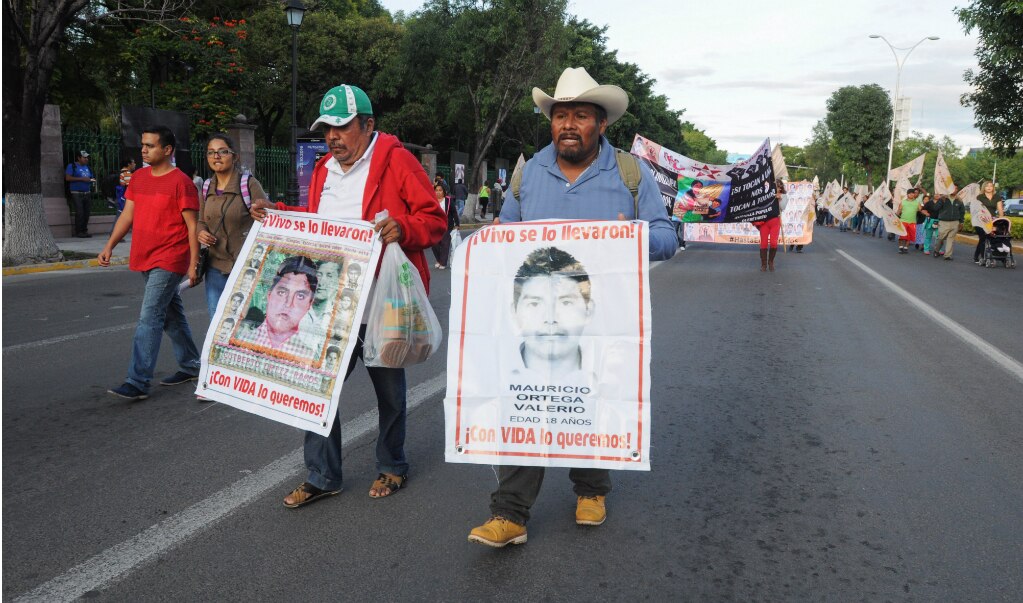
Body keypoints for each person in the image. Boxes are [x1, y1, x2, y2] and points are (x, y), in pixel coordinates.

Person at [468, 66, 677, 548]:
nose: (568, 124)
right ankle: (510, 514)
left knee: (593, 397)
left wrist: (628, 237)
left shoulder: (628, 173)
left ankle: (591, 488)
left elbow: (667, 236)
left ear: (601, 124)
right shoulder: (527, 173)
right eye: (560, 115)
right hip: (538, 319)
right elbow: (504, 240)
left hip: (602, 319)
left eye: (580, 115)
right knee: (527, 405)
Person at [248, 83, 446, 506]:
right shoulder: (323, 170)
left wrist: (403, 227)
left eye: (341, 127)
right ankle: (323, 475)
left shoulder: (396, 161)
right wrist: (280, 214)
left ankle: (392, 465)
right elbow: (319, 224)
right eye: (326, 130)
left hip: (383, 304)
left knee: (390, 394)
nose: (333, 137)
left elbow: (433, 219)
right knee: (317, 390)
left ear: (368, 125)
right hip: (333, 306)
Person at [98, 126, 202, 401]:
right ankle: (192, 365)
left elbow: (192, 227)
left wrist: (194, 263)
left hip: (170, 257)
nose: (143, 150)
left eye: (150, 145)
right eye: (142, 145)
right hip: (144, 254)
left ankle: (138, 381)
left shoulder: (181, 183)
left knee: (150, 316)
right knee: (170, 315)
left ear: (167, 150)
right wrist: (109, 245)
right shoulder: (140, 179)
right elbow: (127, 215)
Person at [198, 133, 268, 318]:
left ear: (234, 156)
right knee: (218, 320)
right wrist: (201, 233)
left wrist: (262, 212)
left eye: (222, 151)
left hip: (246, 267)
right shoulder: (206, 187)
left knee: (247, 321)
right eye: (211, 152)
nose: (216, 156)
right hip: (215, 267)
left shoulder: (248, 184)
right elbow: (201, 221)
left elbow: (267, 220)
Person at [510, 247, 594, 381]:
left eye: (566, 303)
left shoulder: (613, 375)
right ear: (514, 313)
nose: (550, 318)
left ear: (589, 311)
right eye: (534, 304)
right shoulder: (486, 378)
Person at [238, 255, 319, 355]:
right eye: (282, 292)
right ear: (269, 294)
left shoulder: (308, 355)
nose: (288, 304)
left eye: (300, 296)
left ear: (310, 304)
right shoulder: (241, 339)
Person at [752, 180, 785, 272]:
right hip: (764, 222)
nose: (777, 188)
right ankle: (763, 264)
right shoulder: (765, 195)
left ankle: (771, 262)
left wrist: (780, 199)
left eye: (779, 186)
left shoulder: (784, 196)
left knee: (774, 242)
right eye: (775, 186)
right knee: (764, 242)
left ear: (781, 188)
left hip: (775, 221)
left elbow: (783, 207)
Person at [65, 150, 96, 238]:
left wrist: (91, 180)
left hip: (87, 192)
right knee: (80, 212)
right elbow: (68, 178)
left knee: (86, 212)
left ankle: (84, 231)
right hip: (76, 193)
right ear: (78, 158)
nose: (86, 159)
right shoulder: (72, 166)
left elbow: (90, 178)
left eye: (87, 157)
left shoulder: (87, 167)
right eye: (84, 157)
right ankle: (79, 231)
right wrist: (82, 179)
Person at [973, 180, 1004, 265]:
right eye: (987, 186)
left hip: (992, 221)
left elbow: (1000, 210)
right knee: (983, 238)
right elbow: (977, 209)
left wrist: (1001, 220)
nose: (989, 187)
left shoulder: (997, 197)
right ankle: (982, 257)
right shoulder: (979, 197)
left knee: (990, 238)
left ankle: (979, 255)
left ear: (993, 187)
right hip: (980, 220)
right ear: (984, 187)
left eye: (991, 186)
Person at [431, 182, 460, 269]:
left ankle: (443, 263)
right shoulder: (432, 200)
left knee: (445, 243)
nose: (438, 192)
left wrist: (457, 223)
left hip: (447, 225)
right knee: (434, 244)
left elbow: (454, 212)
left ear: (444, 191)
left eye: (440, 190)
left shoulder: (448, 200)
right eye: (436, 190)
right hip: (435, 226)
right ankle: (439, 260)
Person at [933, 191, 965, 261]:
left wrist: (961, 222)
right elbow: (935, 208)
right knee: (941, 238)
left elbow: (962, 211)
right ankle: (936, 250)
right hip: (944, 222)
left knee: (951, 239)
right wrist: (941, 199)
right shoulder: (943, 199)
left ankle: (947, 255)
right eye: (952, 188)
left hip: (955, 222)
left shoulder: (959, 200)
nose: (954, 190)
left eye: (955, 188)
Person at [895, 187, 921, 254]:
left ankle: (906, 247)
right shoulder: (903, 202)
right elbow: (899, 211)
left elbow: (920, 210)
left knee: (909, 236)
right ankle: (900, 247)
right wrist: (895, 216)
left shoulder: (917, 203)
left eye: (913, 193)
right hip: (903, 221)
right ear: (907, 194)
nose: (912, 195)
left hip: (912, 222)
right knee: (902, 235)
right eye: (910, 193)